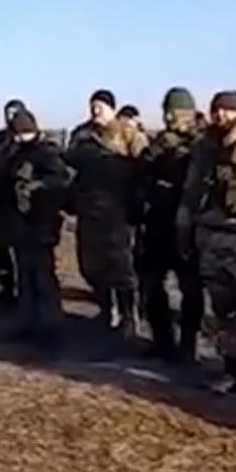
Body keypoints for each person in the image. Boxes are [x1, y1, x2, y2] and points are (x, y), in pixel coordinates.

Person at [179, 91, 236, 393]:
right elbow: (191, 193)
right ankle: (233, 372)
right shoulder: (205, 149)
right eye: (217, 110)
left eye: (227, 110)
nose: (221, 116)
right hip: (212, 240)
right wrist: (183, 228)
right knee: (224, 312)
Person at [65, 89, 147, 339]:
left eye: (101, 106)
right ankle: (104, 309)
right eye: (92, 105)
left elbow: (144, 169)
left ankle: (128, 317)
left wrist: (137, 204)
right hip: (89, 210)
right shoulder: (81, 134)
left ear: (112, 108)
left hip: (118, 212)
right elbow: (69, 169)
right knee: (90, 266)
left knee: (121, 268)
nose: (95, 110)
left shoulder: (128, 132)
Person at [137, 88, 204, 362]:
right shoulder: (159, 143)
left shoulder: (202, 144)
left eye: (174, 112)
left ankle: (188, 345)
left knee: (191, 288)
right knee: (152, 283)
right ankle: (162, 340)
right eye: (167, 111)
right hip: (158, 224)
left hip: (187, 225)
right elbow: (142, 173)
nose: (168, 117)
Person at [1, 109, 70, 345]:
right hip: (21, 223)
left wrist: (36, 185)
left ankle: (49, 328)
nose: (17, 138)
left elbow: (60, 180)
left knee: (42, 277)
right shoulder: (15, 153)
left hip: (41, 223)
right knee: (25, 276)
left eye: (21, 133)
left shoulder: (47, 153)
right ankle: (28, 323)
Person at [0, 98, 27, 304]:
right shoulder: (0, 139)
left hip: (16, 205)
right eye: (8, 113)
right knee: (0, 249)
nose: (11, 117)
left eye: (15, 112)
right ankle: (7, 287)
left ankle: (22, 291)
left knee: (19, 251)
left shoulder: (25, 139)